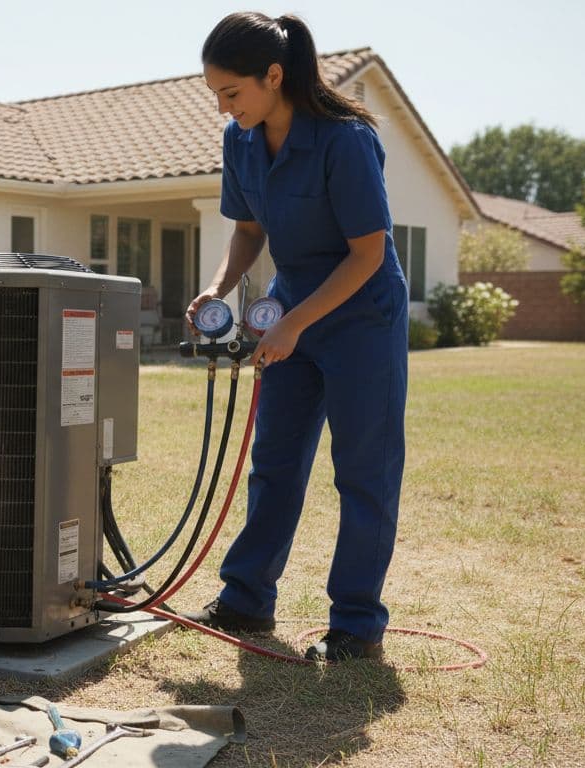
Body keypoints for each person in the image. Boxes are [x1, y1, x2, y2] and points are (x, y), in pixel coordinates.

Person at [182, 12, 408, 662]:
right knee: (275, 465)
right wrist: (218, 289)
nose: (223, 107)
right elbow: (249, 232)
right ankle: (247, 601)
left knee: (363, 473)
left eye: (232, 92)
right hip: (290, 315)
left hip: (361, 317)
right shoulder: (240, 140)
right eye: (216, 95)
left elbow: (367, 253)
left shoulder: (346, 139)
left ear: (273, 76)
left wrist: (293, 322)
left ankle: (357, 627)